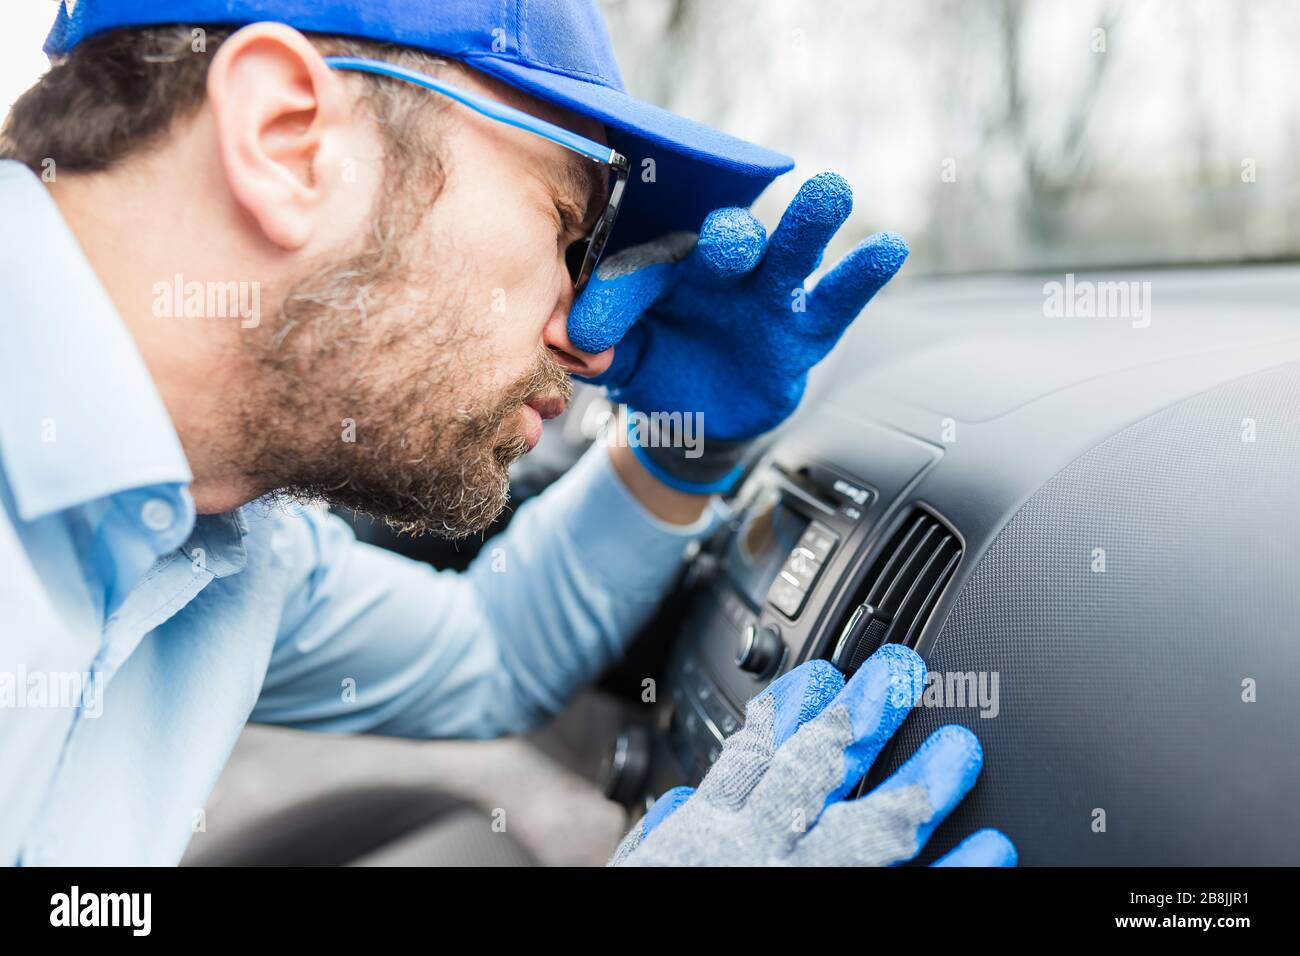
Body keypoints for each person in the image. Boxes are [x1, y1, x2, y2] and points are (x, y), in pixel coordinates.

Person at [0, 0, 1013, 866]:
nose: (588, 341)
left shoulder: (218, 528)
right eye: (570, 229)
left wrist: (679, 446)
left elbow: (488, 651)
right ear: (287, 140)